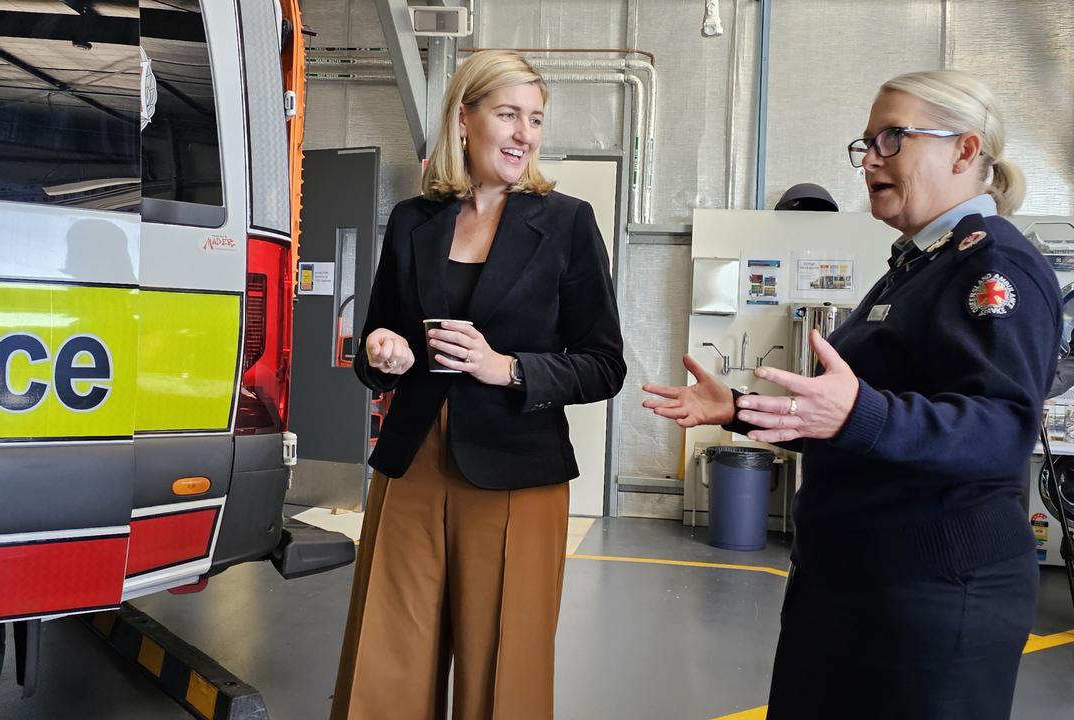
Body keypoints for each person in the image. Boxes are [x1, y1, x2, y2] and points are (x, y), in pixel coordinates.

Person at [644, 70, 1059, 719]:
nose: (869, 160)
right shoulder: (917, 265)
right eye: (864, 143)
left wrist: (861, 411)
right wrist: (740, 409)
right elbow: (848, 415)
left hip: (933, 599)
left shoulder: (992, 264)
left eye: (892, 139)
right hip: (856, 586)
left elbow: (1001, 427)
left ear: (965, 150)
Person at [331, 49, 625, 720]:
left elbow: (604, 363)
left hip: (517, 471)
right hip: (412, 465)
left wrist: (508, 368)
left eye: (537, 119)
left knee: (503, 666)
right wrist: (384, 352)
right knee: (388, 652)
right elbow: (376, 342)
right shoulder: (413, 220)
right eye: (508, 114)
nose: (525, 134)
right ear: (464, 120)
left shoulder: (567, 223)